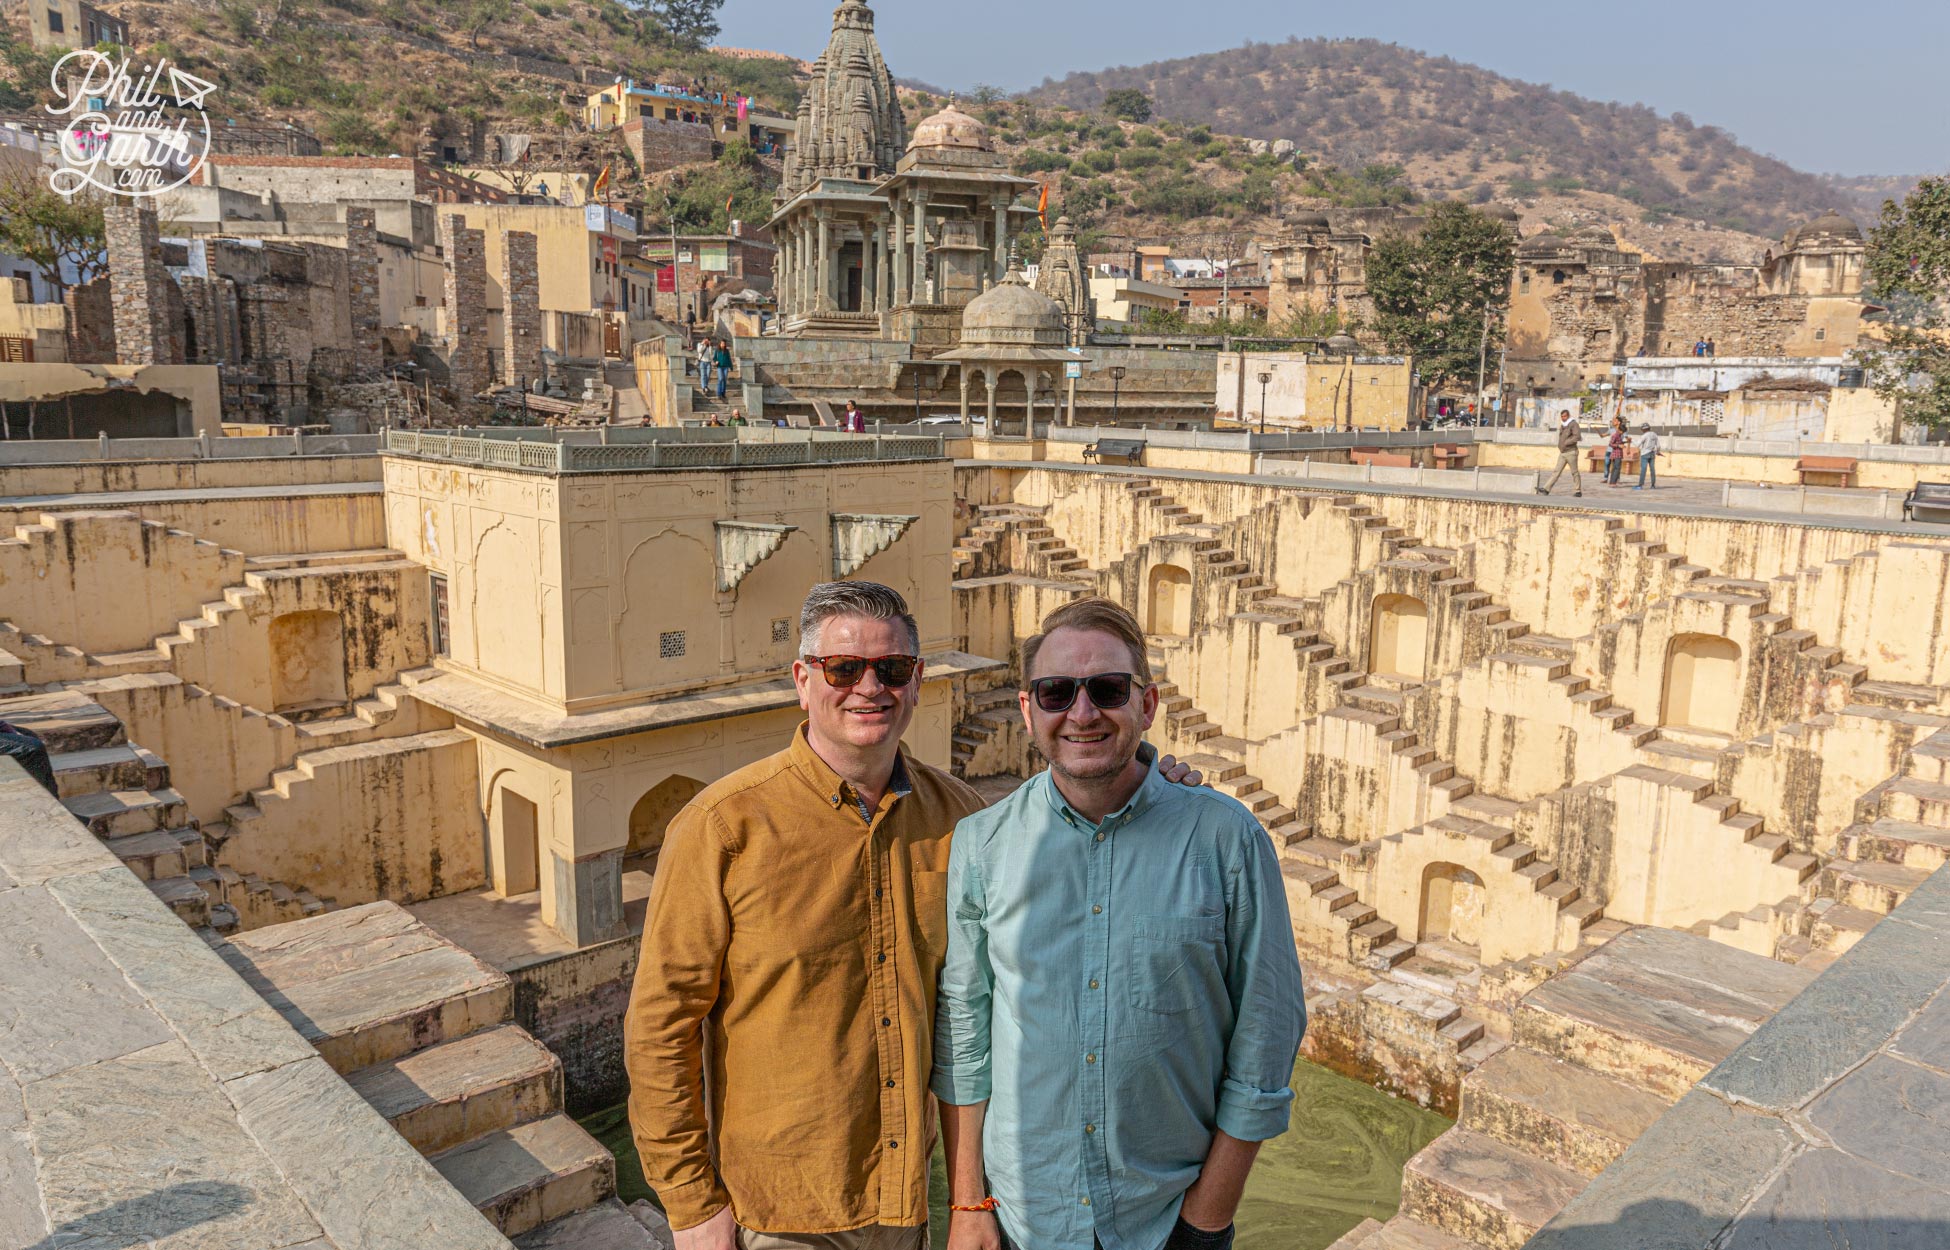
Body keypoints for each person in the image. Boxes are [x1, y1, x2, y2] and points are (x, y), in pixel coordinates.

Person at [626, 583, 1204, 1250]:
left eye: (892, 669)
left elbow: (1004, 993)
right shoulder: (725, 827)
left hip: (906, 1208)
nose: (869, 688)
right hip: (772, 1214)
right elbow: (661, 1025)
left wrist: (1158, 791)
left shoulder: (962, 820)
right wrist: (692, 1204)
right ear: (803, 681)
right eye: (844, 669)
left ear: (917, 680)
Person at [935, 597, 1307, 1250]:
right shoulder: (983, 845)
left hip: (1166, 1218)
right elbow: (966, 1036)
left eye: (1107, 689)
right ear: (1028, 711)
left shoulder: (1224, 839)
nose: (1082, 713)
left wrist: (1208, 1214)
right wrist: (969, 1202)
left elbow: (1268, 1029)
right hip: (1024, 1218)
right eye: (1056, 692)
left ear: (1147, 704)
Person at [1536, 408, 1583, 497]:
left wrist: (1566, 442)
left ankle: (1578, 490)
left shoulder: (1573, 424)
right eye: (1562, 416)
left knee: (1574, 472)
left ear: (1568, 416)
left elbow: (1577, 437)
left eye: (1564, 416)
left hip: (1571, 452)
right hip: (1563, 452)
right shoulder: (1563, 425)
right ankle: (1546, 489)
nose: (1563, 418)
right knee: (1556, 471)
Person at [1634, 423, 1661, 490]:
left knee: (1643, 469)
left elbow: (1637, 445)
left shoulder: (1644, 435)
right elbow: (1658, 445)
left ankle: (1640, 485)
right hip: (1652, 453)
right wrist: (1657, 452)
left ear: (1644, 429)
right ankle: (1653, 485)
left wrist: (1631, 440)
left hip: (1645, 453)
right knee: (1652, 470)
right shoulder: (1654, 434)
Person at [1605, 415, 1627, 486]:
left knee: (1615, 468)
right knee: (1616, 468)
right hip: (1616, 454)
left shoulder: (1619, 435)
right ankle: (1613, 482)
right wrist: (1619, 445)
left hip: (1619, 453)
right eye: (1622, 432)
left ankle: (1612, 482)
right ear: (1620, 430)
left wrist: (1623, 443)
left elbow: (1618, 442)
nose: (1622, 433)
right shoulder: (1615, 435)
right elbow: (1611, 444)